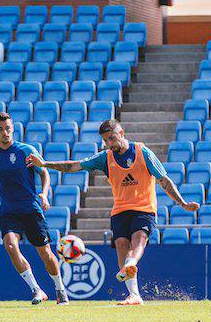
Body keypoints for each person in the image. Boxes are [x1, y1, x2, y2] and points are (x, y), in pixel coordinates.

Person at [25, 118, 200, 306]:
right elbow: (73, 166)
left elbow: (164, 180)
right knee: (121, 245)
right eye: (106, 140)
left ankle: (131, 264)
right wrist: (44, 164)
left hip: (144, 208)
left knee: (139, 239)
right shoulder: (105, 157)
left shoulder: (143, 152)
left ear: (121, 134)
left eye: (111, 138)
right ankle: (134, 294)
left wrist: (182, 203)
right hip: (120, 210)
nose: (109, 143)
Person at [0, 112, 68, 306]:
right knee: (11, 246)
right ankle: (36, 289)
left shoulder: (25, 151)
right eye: (0, 129)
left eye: (8, 128)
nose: (5, 132)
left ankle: (59, 288)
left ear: (12, 128)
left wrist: (45, 193)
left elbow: (43, 172)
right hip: (8, 210)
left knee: (45, 252)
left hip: (30, 208)